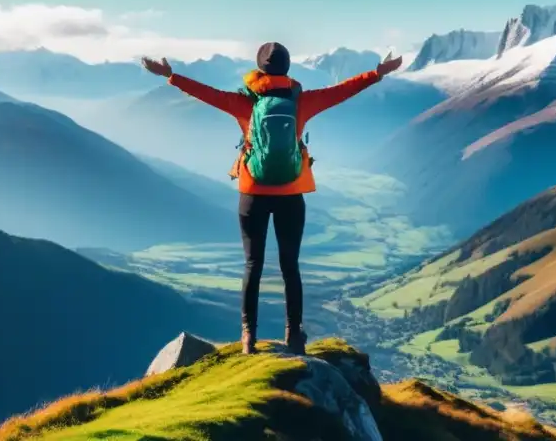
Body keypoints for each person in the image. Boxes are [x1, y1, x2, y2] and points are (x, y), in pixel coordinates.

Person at [142, 42, 403, 355]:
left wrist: (170, 75)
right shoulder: (301, 102)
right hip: (291, 193)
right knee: (289, 266)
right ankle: (294, 335)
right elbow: (342, 91)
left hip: (253, 192)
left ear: (259, 69)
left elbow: (207, 94)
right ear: (288, 69)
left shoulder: (245, 103)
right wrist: (377, 73)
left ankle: (248, 337)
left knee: (253, 264)